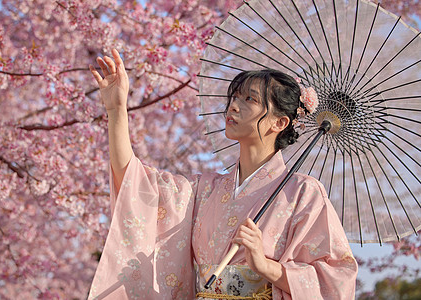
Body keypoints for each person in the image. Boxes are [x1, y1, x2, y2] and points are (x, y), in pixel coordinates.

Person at [87, 49, 358, 299]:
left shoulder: (303, 193)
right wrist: (116, 111)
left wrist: (265, 266)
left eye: (249, 99)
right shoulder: (205, 189)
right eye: (235, 97)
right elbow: (136, 184)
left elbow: (337, 280)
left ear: (280, 122)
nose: (234, 106)